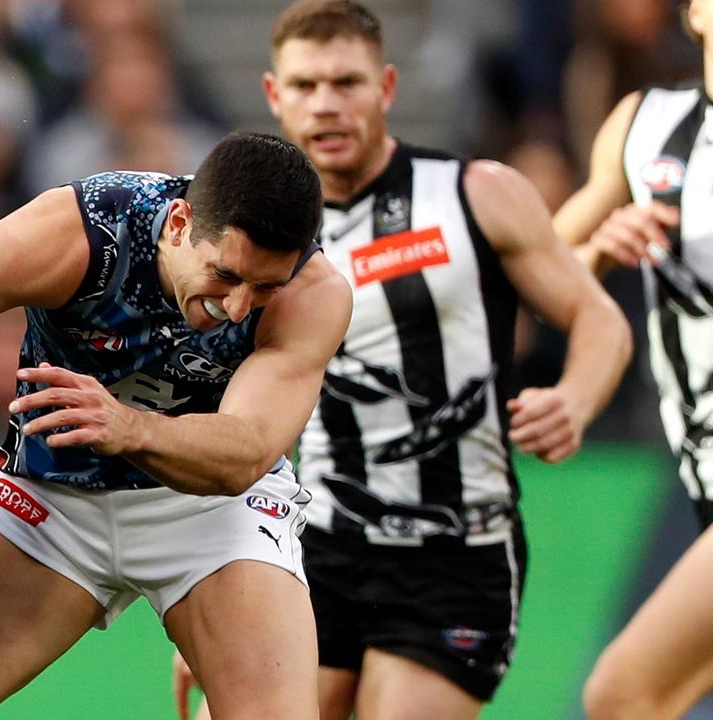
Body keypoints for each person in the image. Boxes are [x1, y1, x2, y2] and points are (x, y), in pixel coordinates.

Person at [174, 2, 632, 719]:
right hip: (314, 544)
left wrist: (574, 398)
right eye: (304, 86)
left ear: (386, 87)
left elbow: (599, 319)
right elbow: (231, 418)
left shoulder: (476, 194)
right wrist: (207, 585)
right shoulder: (253, 239)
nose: (325, 103)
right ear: (273, 96)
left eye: (346, 82)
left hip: (454, 553)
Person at [0, 131, 352, 719]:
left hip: (213, 514)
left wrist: (130, 427)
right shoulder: (86, 232)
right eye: (225, 275)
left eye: (265, 286)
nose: (240, 307)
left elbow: (245, 453)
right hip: (50, 501)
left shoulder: (313, 294)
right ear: (178, 224)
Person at [554, 2, 713, 717]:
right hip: (699, 471)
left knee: (625, 690)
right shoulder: (645, 124)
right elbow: (540, 274)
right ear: (696, 13)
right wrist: (600, 247)